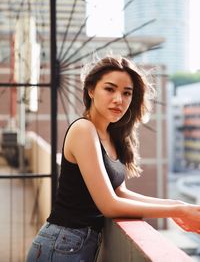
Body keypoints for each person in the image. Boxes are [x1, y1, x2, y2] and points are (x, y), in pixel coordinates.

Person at [26, 56, 200, 262]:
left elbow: (121, 193)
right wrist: (178, 210)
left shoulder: (112, 136)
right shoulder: (83, 129)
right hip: (61, 245)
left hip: (78, 246)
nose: (119, 99)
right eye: (110, 89)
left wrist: (176, 204)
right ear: (91, 90)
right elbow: (109, 204)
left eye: (127, 93)